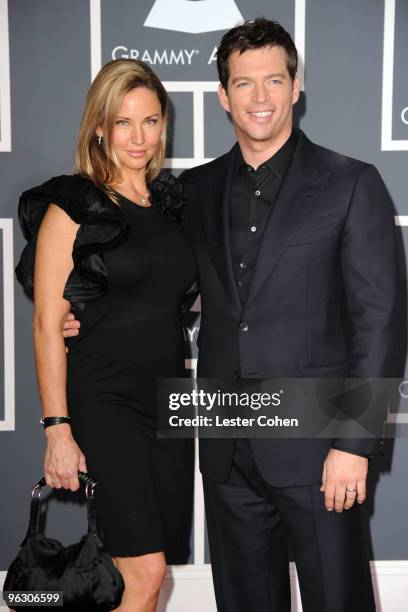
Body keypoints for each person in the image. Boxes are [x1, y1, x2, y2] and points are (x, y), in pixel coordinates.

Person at [63, 18, 405, 612]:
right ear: (223, 96)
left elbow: (380, 320)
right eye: (244, 84)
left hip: (318, 442)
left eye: (274, 80)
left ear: (296, 87)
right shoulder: (191, 191)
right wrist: (89, 315)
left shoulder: (352, 184)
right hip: (224, 444)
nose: (261, 97)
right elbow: (159, 282)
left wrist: (354, 444)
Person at [15, 58, 196, 612]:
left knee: (137, 575)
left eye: (150, 121)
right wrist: (57, 428)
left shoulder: (171, 206)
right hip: (106, 402)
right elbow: (48, 321)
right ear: (99, 127)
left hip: (168, 405)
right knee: (145, 573)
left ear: (164, 124)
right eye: (123, 123)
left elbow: (179, 296)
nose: (138, 137)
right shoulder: (74, 206)